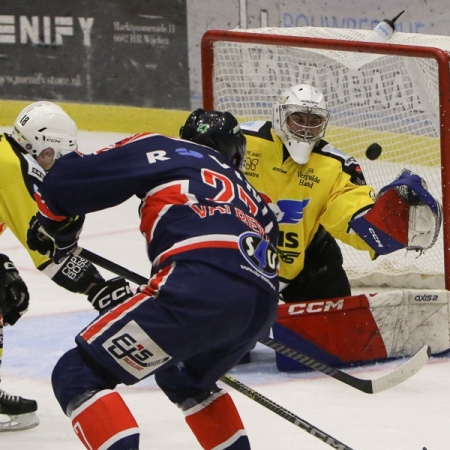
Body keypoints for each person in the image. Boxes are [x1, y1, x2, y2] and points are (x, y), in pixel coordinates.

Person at [26, 109, 279, 450]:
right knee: (184, 379)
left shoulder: (163, 147)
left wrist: (54, 228)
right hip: (260, 304)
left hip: (197, 285)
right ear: (235, 153)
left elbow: (68, 183)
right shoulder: (253, 196)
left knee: (77, 373)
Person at [240, 83, 441, 368]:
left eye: (315, 121)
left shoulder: (335, 164)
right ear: (280, 116)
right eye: (299, 119)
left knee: (333, 340)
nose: (306, 129)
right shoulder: (244, 140)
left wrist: (383, 223)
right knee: (224, 352)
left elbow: (349, 209)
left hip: (305, 256)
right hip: (240, 257)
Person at [0, 101, 133, 431]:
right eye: (56, 156)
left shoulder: (8, 151)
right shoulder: (12, 168)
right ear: (43, 148)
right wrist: (97, 287)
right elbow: (47, 251)